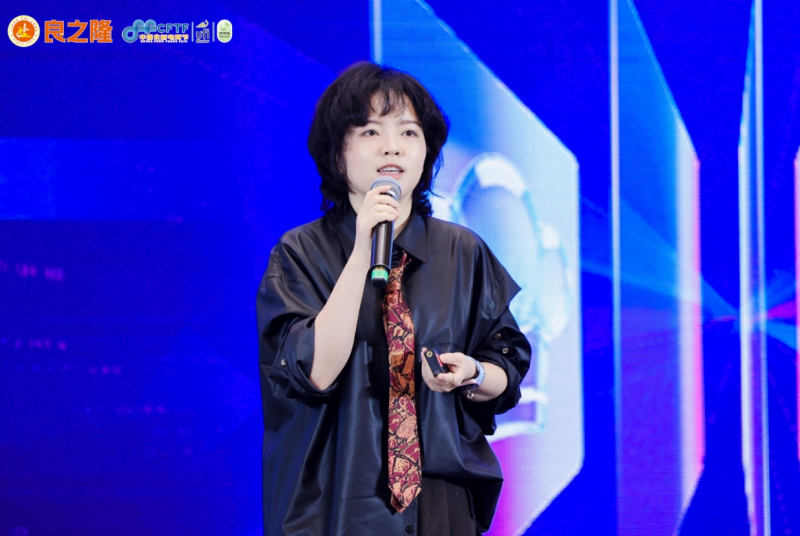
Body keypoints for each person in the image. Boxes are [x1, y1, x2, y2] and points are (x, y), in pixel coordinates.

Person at [257, 61, 531, 536]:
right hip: (333, 505)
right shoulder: (299, 252)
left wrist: (472, 373)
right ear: (337, 153)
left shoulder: (462, 251)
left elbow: (506, 366)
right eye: (370, 131)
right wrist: (362, 251)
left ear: (426, 152)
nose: (392, 146)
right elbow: (313, 372)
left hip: (440, 503)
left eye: (408, 132)